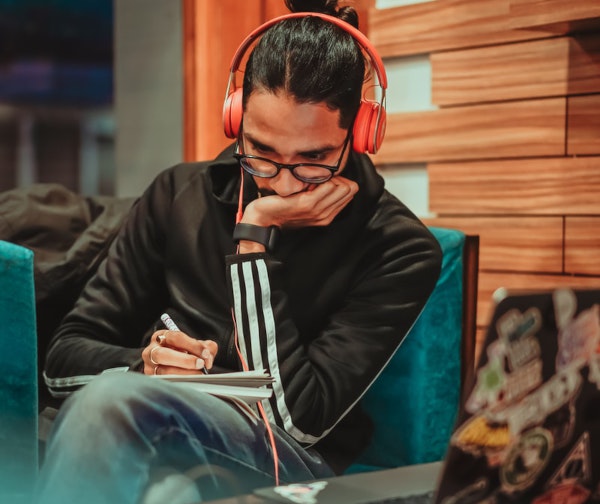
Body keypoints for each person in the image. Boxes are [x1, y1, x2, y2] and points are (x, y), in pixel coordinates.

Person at [35, 1, 442, 502]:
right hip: (153, 423)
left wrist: (255, 239)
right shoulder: (176, 195)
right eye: (262, 152)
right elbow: (61, 360)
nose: (285, 184)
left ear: (361, 133)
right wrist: (145, 367)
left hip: (285, 458)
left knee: (109, 406)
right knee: (165, 490)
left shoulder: (398, 247)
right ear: (235, 118)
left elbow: (295, 423)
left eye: (313, 160)